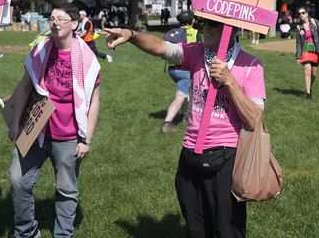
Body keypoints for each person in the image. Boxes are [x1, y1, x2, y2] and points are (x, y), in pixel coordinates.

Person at [105, 18, 266, 237]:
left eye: (213, 24)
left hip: (226, 157)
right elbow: (162, 48)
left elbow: (255, 119)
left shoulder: (250, 65)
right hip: (190, 155)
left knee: (227, 230)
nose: (206, 28)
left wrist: (230, 81)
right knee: (195, 228)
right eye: (204, 23)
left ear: (234, 29)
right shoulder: (196, 52)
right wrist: (132, 35)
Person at [9, 2, 102, 238]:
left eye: (61, 19)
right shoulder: (40, 50)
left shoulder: (88, 59)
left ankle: (63, 234)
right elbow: (24, 87)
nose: (55, 23)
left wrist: (86, 139)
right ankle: (26, 232)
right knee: (18, 181)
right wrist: (15, 122)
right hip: (35, 130)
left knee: (66, 189)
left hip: (69, 137)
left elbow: (94, 102)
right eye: (52, 18)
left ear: (74, 24)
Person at [161, 10, 200, 133]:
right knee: (181, 95)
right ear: (191, 21)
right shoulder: (195, 33)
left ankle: (185, 117)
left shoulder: (172, 33)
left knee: (185, 92)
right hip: (186, 70)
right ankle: (167, 122)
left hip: (172, 70)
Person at [295, 6, 319, 99]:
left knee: (314, 73)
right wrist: (298, 57)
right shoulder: (299, 27)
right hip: (305, 51)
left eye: (303, 13)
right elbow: (298, 43)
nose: (301, 15)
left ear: (307, 14)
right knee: (307, 71)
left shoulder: (315, 23)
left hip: (315, 50)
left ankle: (309, 87)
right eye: (299, 13)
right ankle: (308, 94)